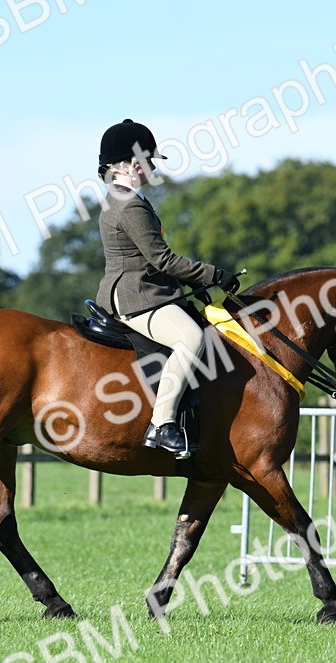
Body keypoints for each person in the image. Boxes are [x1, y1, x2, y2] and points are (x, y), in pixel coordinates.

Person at [95, 118, 240, 458]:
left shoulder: (122, 198)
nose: (152, 168)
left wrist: (192, 283)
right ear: (132, 163)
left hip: (145, 289)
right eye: (149, 161)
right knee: (192, 338)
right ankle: (162, 424)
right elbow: (162, 260)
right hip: (136, 296)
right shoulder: (129, 204)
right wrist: (213, 275)